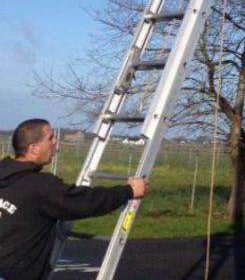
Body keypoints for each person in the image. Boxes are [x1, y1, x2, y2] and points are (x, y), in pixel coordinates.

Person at [0, 118, 148, 280]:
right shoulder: (41, 186)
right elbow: (87, 202)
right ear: (34, 148)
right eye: (50, 138)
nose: (55, 142)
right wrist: (129, 191)